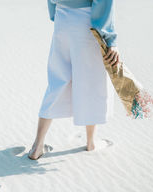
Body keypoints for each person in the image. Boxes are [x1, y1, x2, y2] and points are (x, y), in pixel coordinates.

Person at [29, 0, 120, 160]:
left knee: (58, 80)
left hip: (62, 19)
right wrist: (110, 38)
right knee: (91, 80)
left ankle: (37, 145)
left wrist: (56, 13)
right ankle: (91, 142)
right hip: (86, 20)